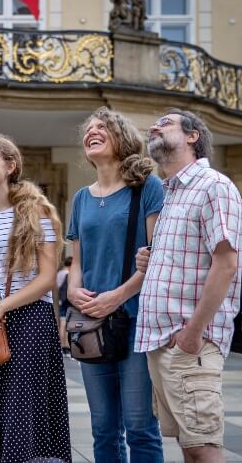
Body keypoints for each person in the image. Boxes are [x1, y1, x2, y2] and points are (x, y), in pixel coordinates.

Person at [0, 132, 71, 463]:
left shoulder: (38, 213)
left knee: (24, 406)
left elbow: (47, 278)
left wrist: (1, 308)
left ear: (10, 165)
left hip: (30, 316)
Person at [135, 109, 242, 463]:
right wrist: (150, 261)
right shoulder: (173, 193)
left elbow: (226, 265)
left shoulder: (214, 185)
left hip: (190, 341)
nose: (154, 127)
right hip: (164, 340)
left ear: (193, 136)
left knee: (203, 447)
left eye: (165, 123)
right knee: (188, 444)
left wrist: (194, 332)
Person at [66, 107, 164, 463]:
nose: (91, 131)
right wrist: (74, 292)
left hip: (137, 320)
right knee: (103, 428)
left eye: (101, 127)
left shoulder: (148, 188)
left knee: (140, 426)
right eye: (88, 128)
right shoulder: (81, 197)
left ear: (121, 137)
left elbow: (156, 257)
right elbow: (76, 261)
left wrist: (118, 296)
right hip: (91, 322)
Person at [56, 256, 73, 355]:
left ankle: (61, 344)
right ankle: (65, 345)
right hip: (66, 301)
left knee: (62, 322)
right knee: (66, 324)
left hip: (60, 300)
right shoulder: (68, 274)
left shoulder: (59, 273)